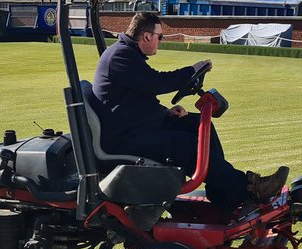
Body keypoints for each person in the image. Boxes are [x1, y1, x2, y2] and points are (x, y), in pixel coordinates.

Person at [92, 11, 289, 214]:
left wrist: (164, 113)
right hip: (123, 138)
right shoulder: (120, 56)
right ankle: (248, 188)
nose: (160, 41)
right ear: (147, 36)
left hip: (134, 126)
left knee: (200, 126)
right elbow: (156, 82)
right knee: (186, 145)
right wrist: (191, 71)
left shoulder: (127, 54)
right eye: (160, 36)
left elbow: (136, 98)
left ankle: (225, 195)